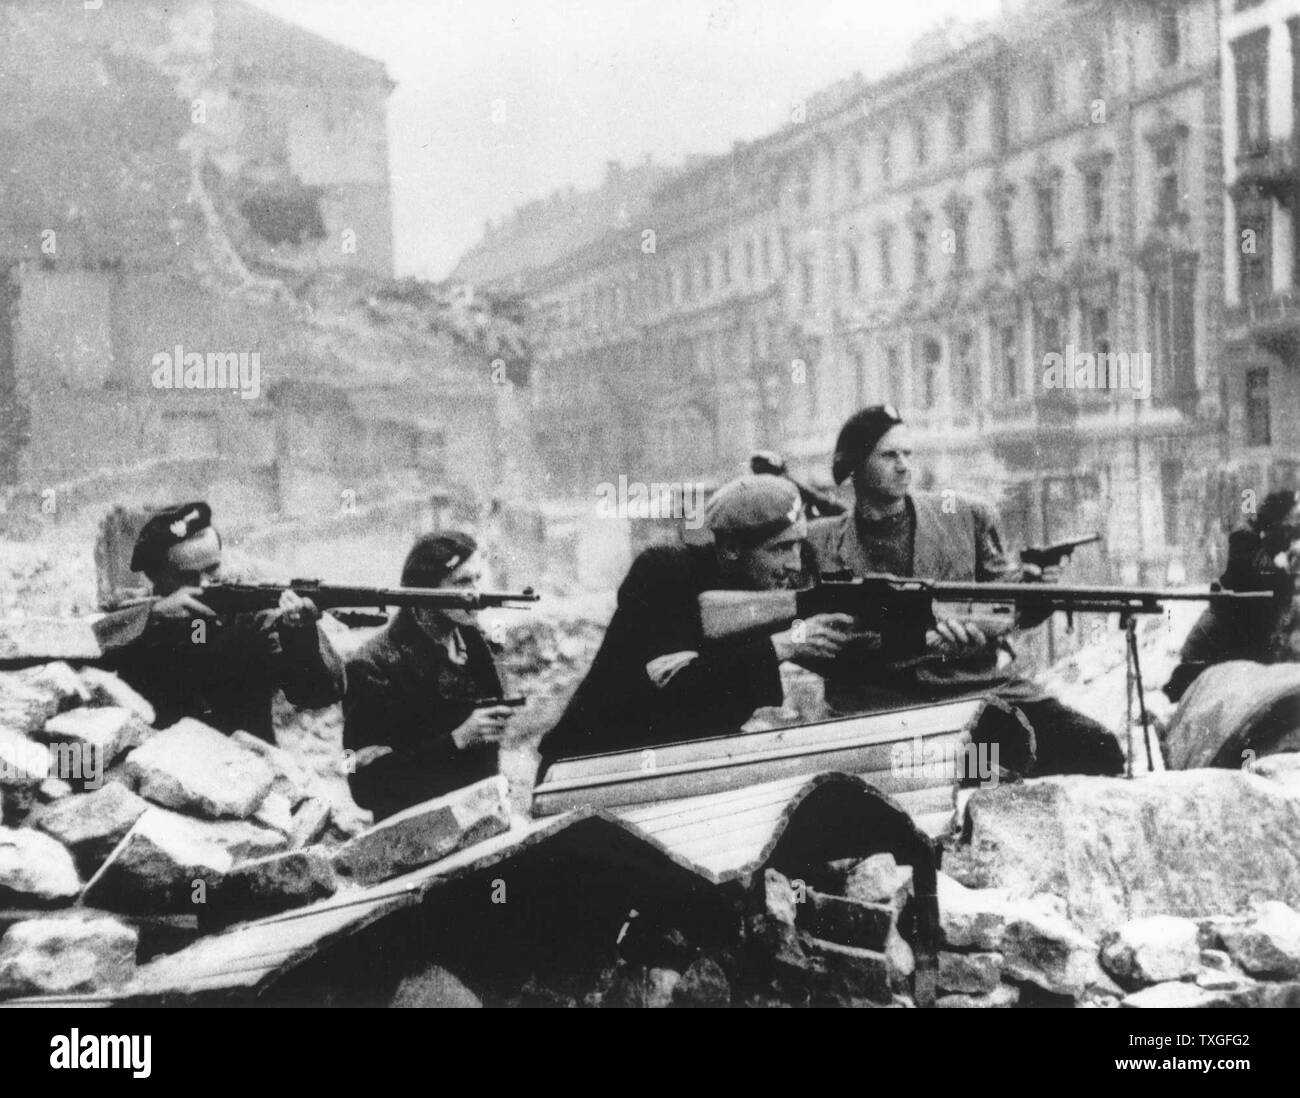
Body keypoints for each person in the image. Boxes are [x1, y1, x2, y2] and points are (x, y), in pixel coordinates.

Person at [805, 405, 1124, 777]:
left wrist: (1037, 592)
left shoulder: (963, 517)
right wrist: (918, 641)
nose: (904, 465)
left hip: (974, 690)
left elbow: (1006, 606)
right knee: (952, 774)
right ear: (856, 466)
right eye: (889, 455)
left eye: (908, 453)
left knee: (1095, 746)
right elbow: (814, 643)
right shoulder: (821, 544)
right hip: (878, 707)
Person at [538, 475, 853, 770]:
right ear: (730, 548)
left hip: (671, 763)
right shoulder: (663, 575)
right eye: (780, 548)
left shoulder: (760, 590)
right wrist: (784, 645)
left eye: (797, 545)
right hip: (589, 767)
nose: (794, 564)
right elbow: (680, 692)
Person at [92, 501, 343, 742]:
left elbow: (319, 693)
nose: (204, 584)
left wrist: (300, 635)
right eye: (186, 576)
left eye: (212, 569)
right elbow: (84, 642)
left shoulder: (249, 615)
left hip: (246, 767)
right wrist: (153, 617)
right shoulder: (139, 614)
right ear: (156, 578)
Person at [342, 532, 516, 820]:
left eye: (477, 579)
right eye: (462, 582)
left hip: (484, 820)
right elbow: (366, 787)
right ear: (422, 591)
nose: (476, 593)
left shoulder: (479, 649)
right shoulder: (373, 666)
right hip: (416, 838)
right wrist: (456, 740)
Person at [1165, 489, 1300, 702]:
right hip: (1220, 643)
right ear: (1276, 521)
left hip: (1247, 641)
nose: (1291, 532)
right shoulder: (1244, 537)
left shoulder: (1269, 540)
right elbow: (1261, 575)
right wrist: (1283, 565)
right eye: (1289, 525)